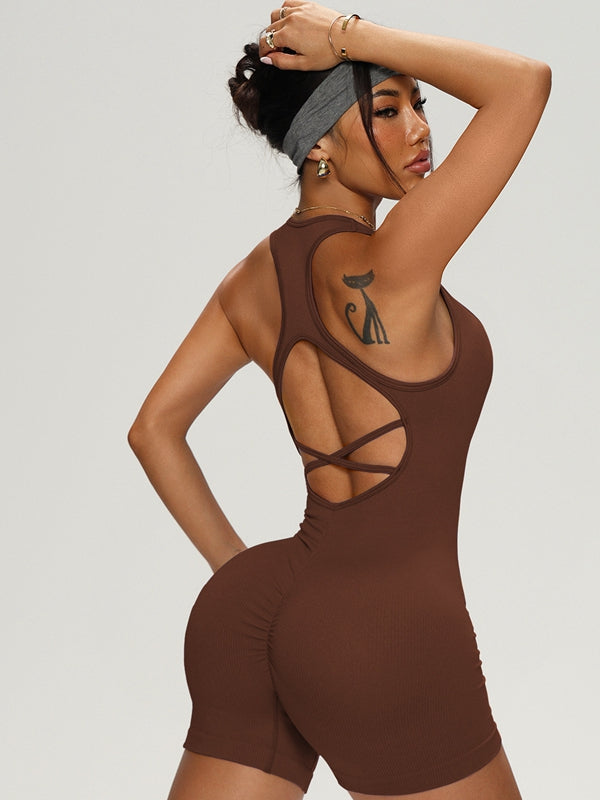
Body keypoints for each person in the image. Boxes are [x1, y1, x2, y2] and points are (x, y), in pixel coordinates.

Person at [128, 3, 551, 799]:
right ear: (318, 143)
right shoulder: (396, 261)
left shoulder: (250, 280)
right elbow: (524, 84)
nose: (420, 130)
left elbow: (153, 429)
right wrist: (349, 36)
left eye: (420, 104)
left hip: (260, 607)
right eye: (386, 110)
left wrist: (245, 579)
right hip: (387, 634)